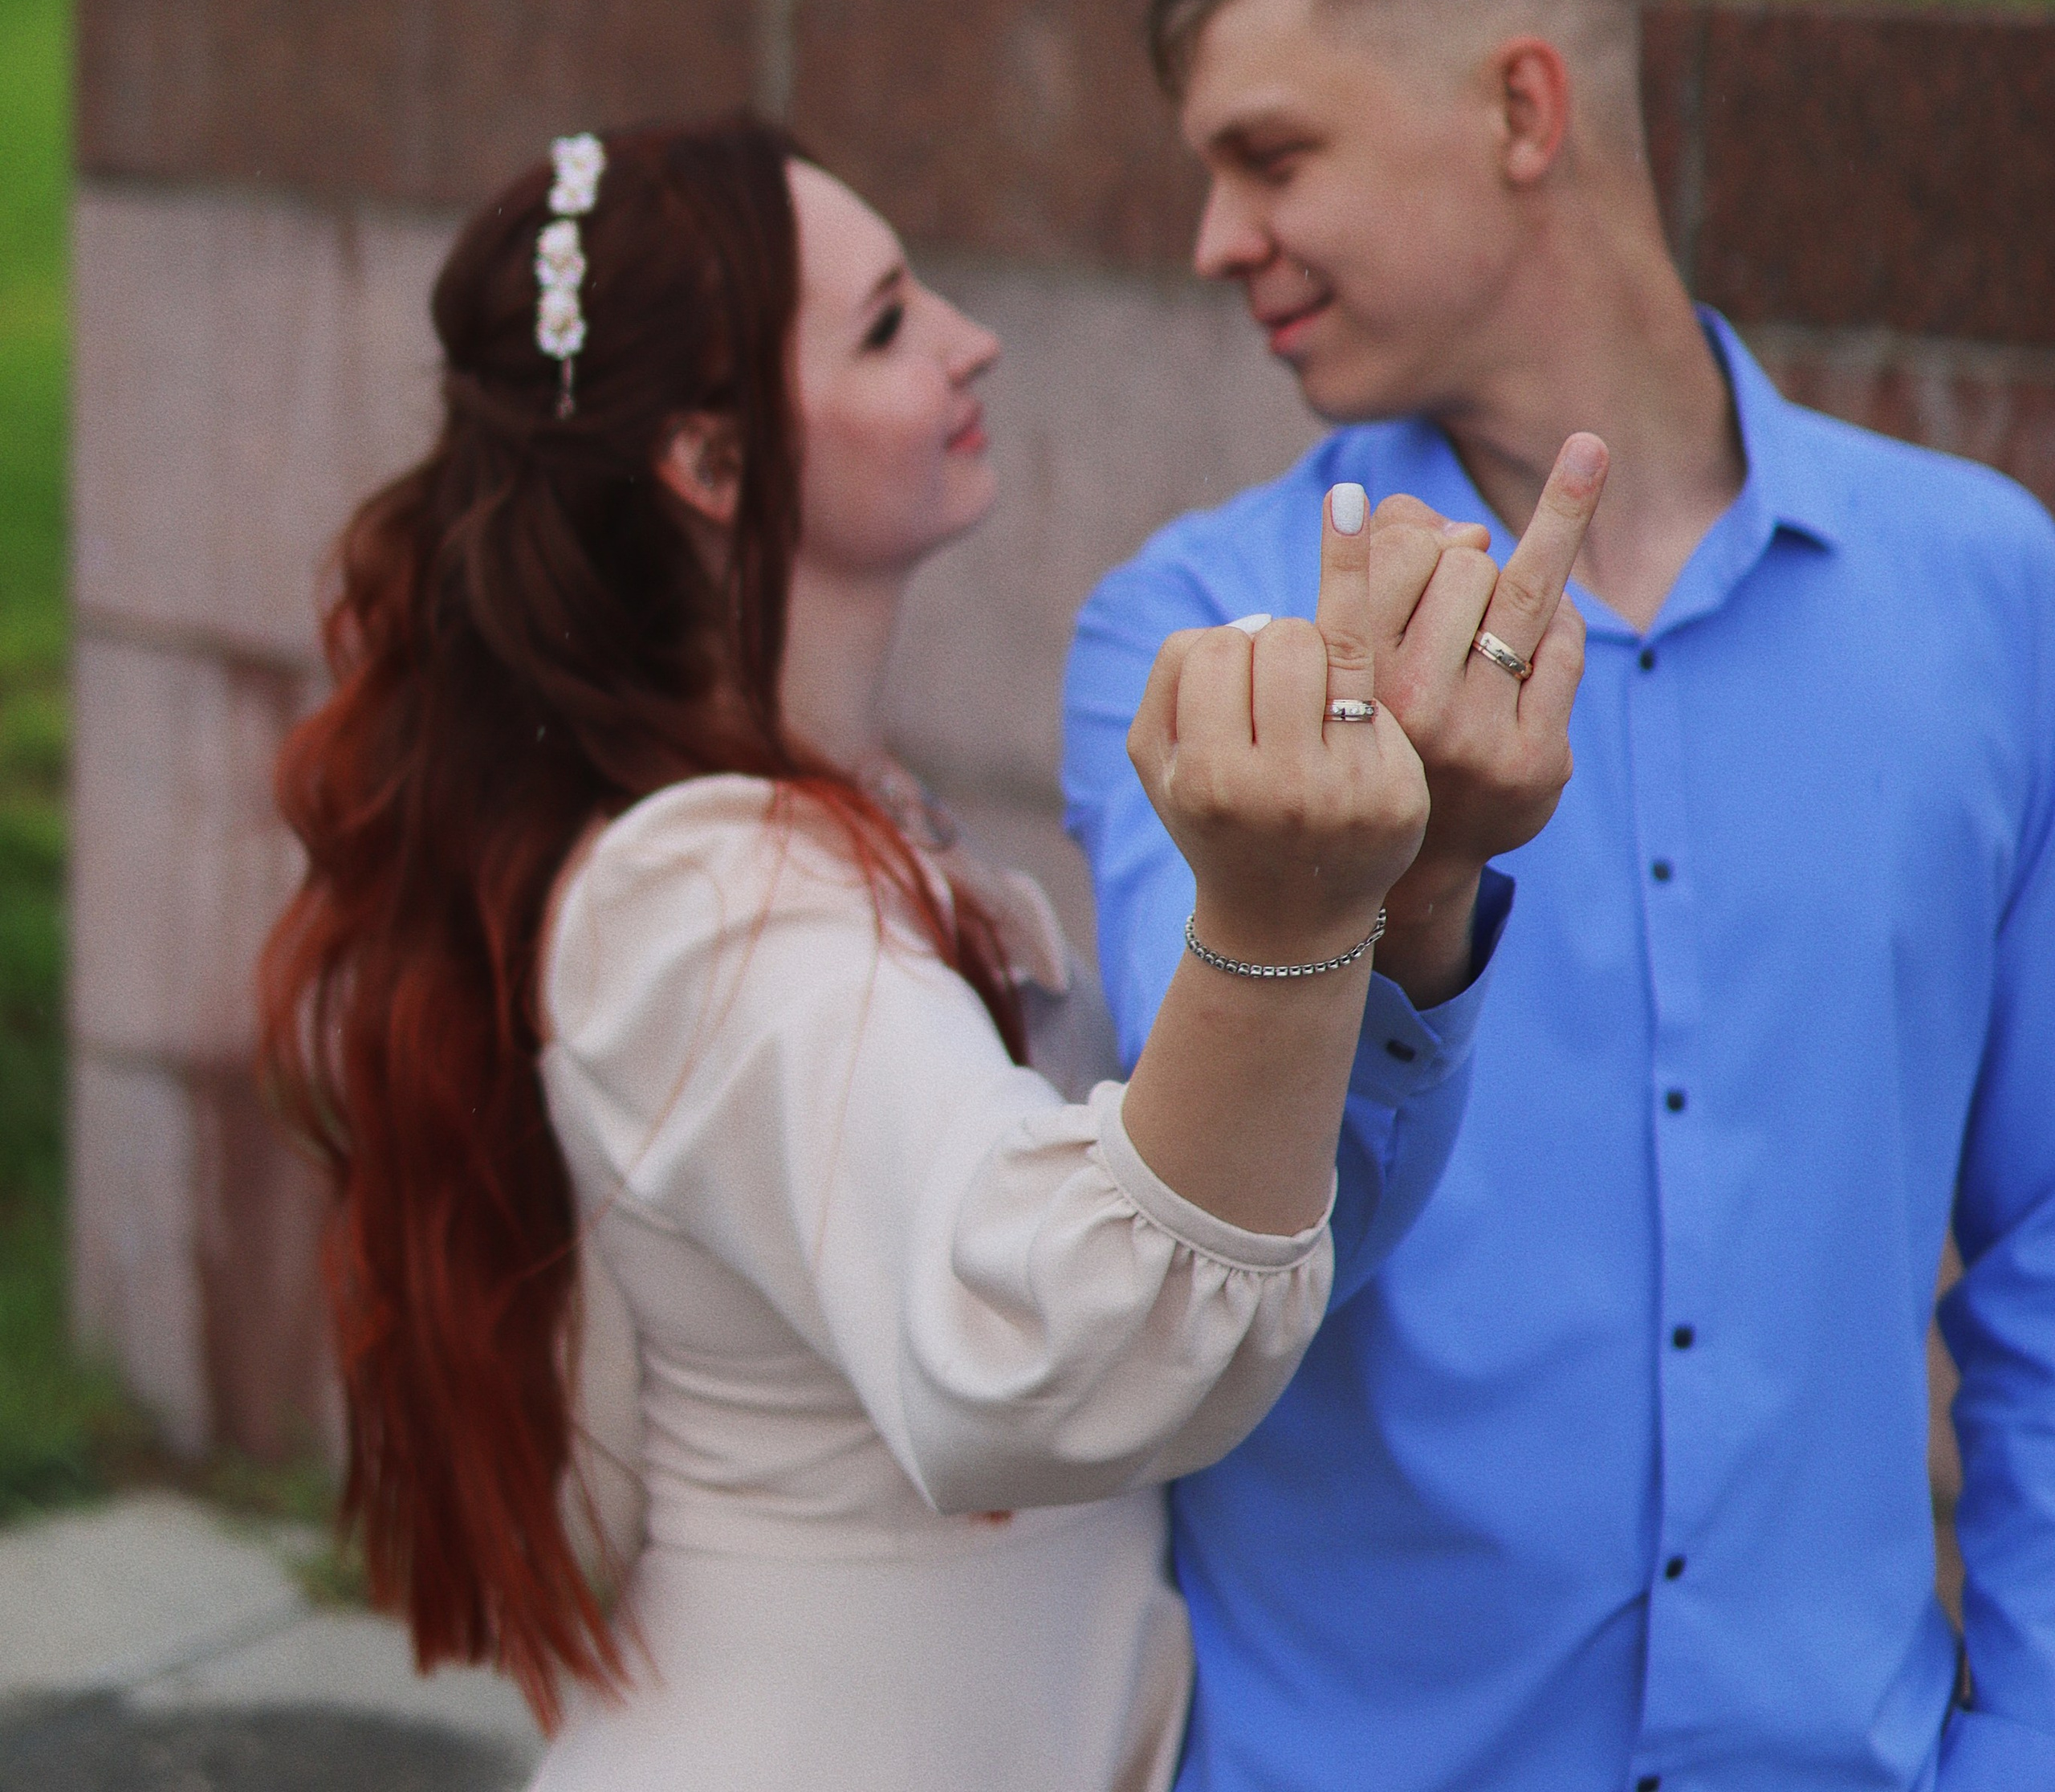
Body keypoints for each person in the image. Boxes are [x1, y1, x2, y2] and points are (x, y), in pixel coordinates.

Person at [258, 112, 1598, 1791]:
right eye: (888, 324)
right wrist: (1278, 913)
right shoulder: (703, 901)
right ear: (713, 461)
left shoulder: (821, 831)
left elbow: (1268, 1238)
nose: (971, 341)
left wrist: (1408, 890)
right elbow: (1044, 1360)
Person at [1063, 0, 2055, 1792]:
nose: (1212, 243)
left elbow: (2042, 1240)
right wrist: (1403, 895)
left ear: (1524, 108)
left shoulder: (1985, 590)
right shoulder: (1195, 634)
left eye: (1272, 155)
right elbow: (1234, 1246)